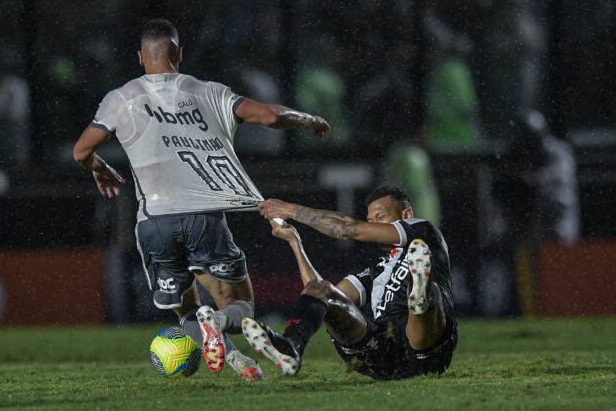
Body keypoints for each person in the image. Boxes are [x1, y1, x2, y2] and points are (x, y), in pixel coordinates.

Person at [73, 19, 330, 381]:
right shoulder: (208, 91)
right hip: (204, 218)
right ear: (179, 54)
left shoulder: (121, 98)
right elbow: (270, 116)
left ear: (140, 58)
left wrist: (98, 167)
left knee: (186, 311)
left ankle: (239, 363)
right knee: (240, 306)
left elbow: (81, 150)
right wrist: (308, 119)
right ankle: (222, 322)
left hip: (154, 223)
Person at [247, 185, 457, 379]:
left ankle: (420, 299)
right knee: (320, 289)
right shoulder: (375, 269)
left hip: (426, 350)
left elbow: (346, 229)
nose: (373, 225)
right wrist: (295, 241)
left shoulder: (423, 232)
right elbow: (323, 299)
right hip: (378, 352)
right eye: (370, 220)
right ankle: (291, 347)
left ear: (407, 215)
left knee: (429, 294)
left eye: (380, 217)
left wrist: (291, 210)